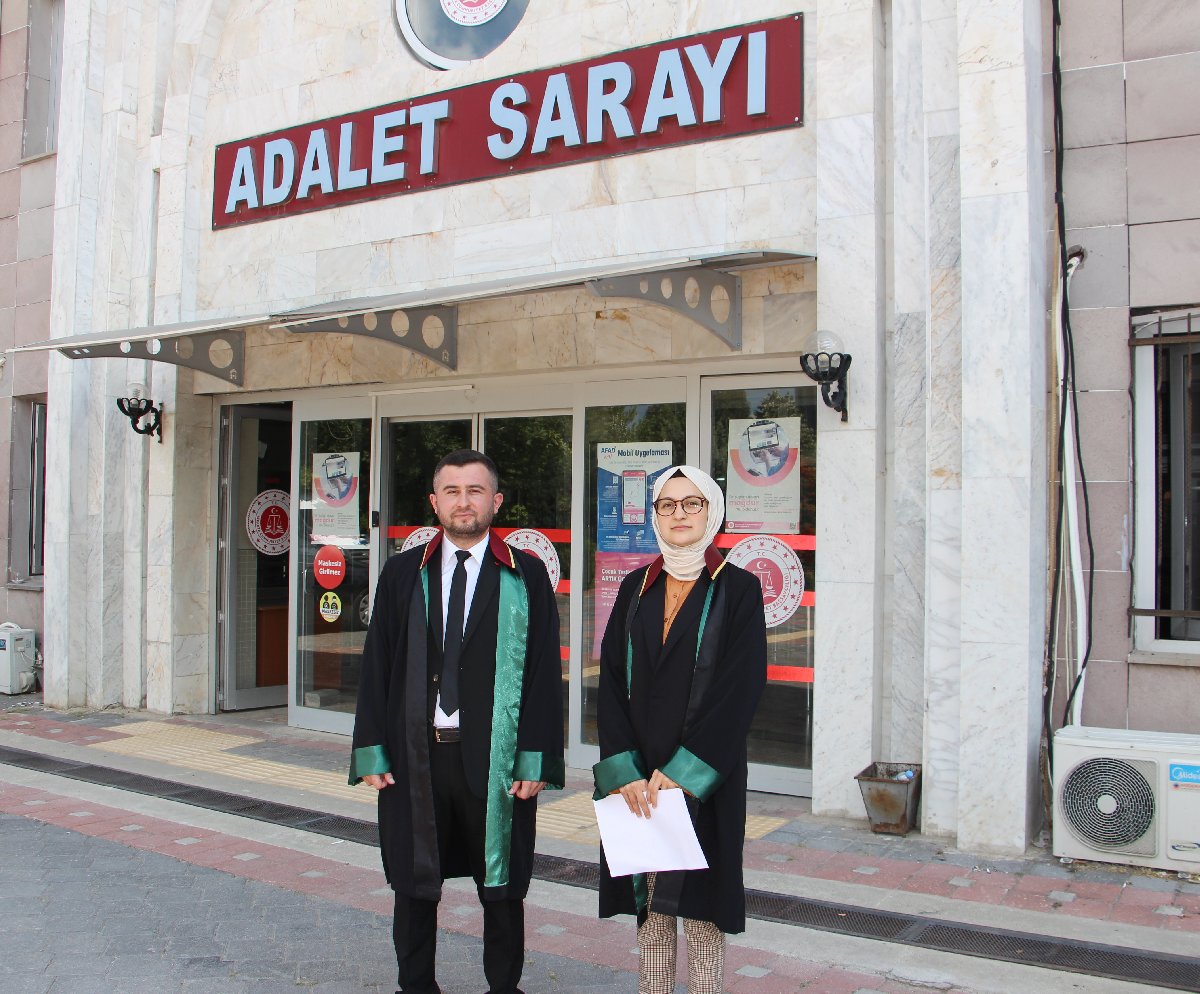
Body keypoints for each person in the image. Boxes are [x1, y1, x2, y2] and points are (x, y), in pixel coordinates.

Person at [349, 449, 564, 994]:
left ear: (496, 500)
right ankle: (416, 985)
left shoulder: (526, 574)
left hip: (496, 759)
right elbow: (377, 665)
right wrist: (371, 749)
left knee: (503, 887)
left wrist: (535, 758)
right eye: (452, 491)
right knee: (413, 881)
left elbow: (543, 672)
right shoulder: (402, 573)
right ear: (434, 502)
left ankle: (504, 987)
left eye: (475, 490)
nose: (463, 502)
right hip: (415, 755)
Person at [593, 466, 767, 994]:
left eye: (692, 503)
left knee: (702, 914)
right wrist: (623, 768)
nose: (679, 514)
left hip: (703, 778)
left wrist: (685, 772)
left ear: (712, 511)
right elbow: (611, 681)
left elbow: (741, 688)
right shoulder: (636, 586)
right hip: (640, 780)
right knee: (652, 914)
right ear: (655, 517)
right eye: (667, 505)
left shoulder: (738, 588)